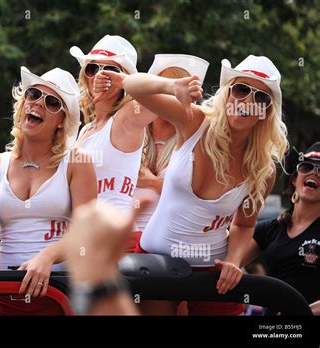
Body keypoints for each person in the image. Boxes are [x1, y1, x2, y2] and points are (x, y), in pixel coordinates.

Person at [123, 55, 289, 315]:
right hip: (154, 260)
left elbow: (244, 224)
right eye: (242, 89)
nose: (247, 101)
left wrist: (234, 262)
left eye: (261, 97)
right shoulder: (195, 121)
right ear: (227, 93)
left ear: (266, 111)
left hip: (212, 273)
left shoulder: (262, 169)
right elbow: (131, 85)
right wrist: (172, 87)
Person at [0, 66, 97, 315]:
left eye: (52, 102)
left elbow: (86, 229)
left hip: (57, 291)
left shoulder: (78, 161)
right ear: (23, 103)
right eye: (33, 94)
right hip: (1, 289)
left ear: (61, 122)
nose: (38, 104)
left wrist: (46, 257)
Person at [69, 34, 156, 252]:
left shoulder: (127, 116)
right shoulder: (85, 130)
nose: (100, 75)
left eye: (111, 70)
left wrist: (126, 81)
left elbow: (170, 97)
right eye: (93, 68)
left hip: (117, 241)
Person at [242, 142, 320, 315]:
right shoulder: (272, 228)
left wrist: (303, 312)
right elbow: (230, 257)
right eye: (307, 167)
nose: (314, 172)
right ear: (294, 178)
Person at [134, 54, 209, 232]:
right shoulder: (133, 130)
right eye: (166, 87)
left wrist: (153, 183)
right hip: (126, 238)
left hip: (170, 239)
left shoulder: (197, 140)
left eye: (178, 89)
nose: (171, 95)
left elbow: (199, 200)